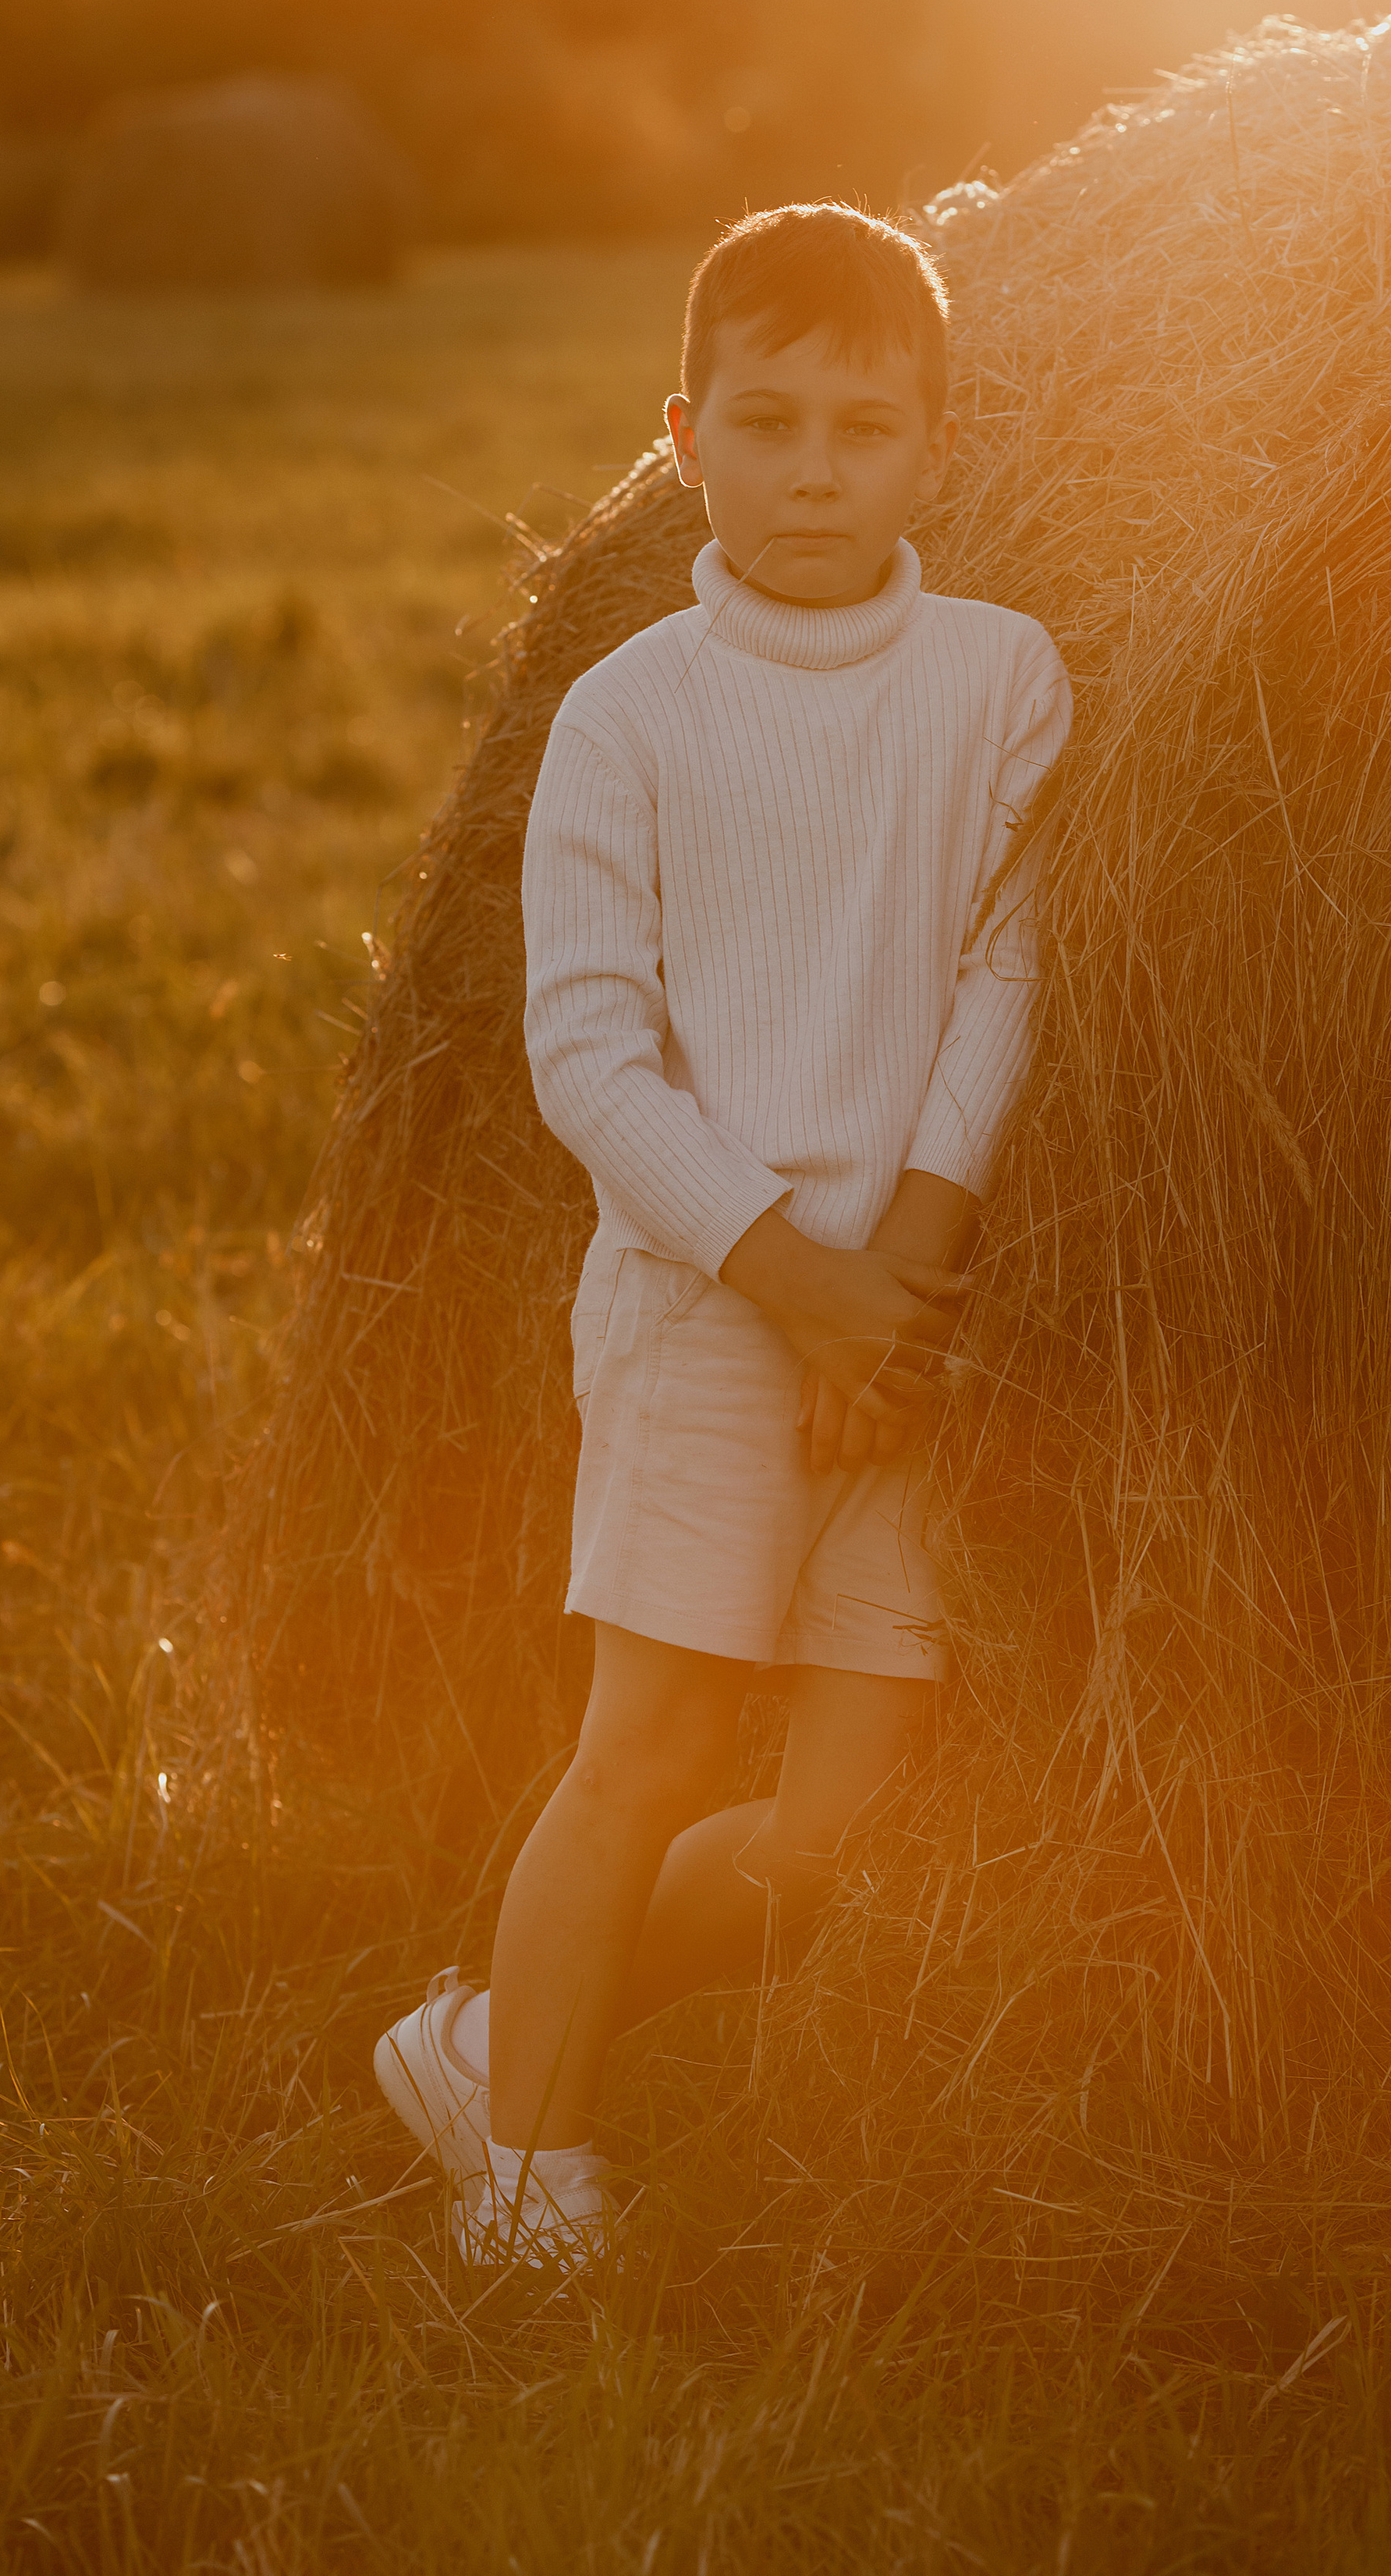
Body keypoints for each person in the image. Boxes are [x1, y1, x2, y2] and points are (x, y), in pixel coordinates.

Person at [374, 202, 1071, 2262]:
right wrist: (805, 1290)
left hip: (904, 1320)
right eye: (767, 424)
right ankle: (527, 2171)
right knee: (654, 1747)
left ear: (936, 448)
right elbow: (590, 1060)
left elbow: (1001, 983)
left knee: (838, 1837)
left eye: (865, 426)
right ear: (685, 437)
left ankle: (495, 2033)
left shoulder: (1003, 682)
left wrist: (902, 1291)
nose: (815, 469)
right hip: (699, 1311)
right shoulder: (631, 716)